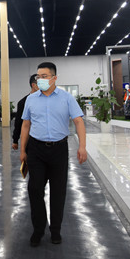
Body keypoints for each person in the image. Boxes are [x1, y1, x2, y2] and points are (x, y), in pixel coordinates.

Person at [20, 62, 87, 247]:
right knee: (34, 189)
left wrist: (82, 147)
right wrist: (23, 150)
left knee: (58, 191)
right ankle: (38, 229)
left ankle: (55, 230)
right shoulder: (31, 99)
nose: (40, 80)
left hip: (59, 150)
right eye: (38, 77)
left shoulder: (66, 98)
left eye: (44, 76)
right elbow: (25, 125)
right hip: (36, 150)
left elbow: (79, 122)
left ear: (54, 78)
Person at [12, 74, 39, 150]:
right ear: (34, 85)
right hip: (30, 139)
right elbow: (18, 122)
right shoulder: (23, 102)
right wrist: (15, 140)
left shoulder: (46, 100)